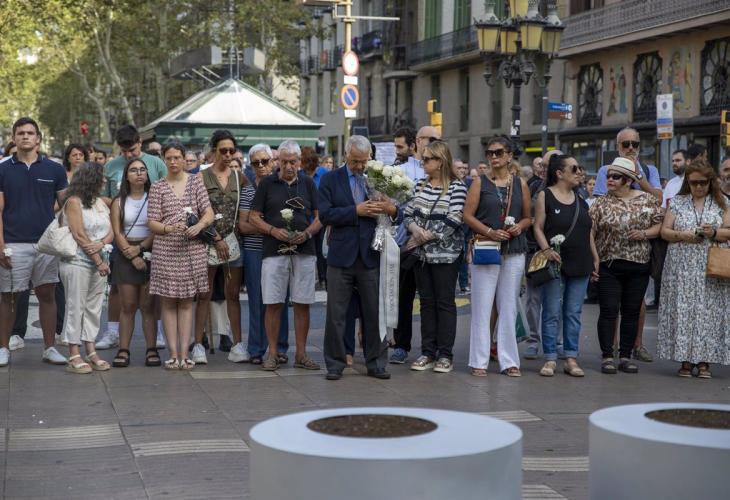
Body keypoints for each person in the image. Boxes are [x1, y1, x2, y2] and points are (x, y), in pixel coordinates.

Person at [319, 135, 399, 380]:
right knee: (336, 314)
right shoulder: (330, 179)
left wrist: (389, 208)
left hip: (370, 255)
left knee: (374, 313)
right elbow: (325, 215)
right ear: (346, 155)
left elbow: (397, 212)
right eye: (355, 161)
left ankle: (376, 363)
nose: (360, 166)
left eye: (364, 161)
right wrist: (356, 210)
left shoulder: (378, 178)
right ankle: (335, 364)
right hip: (341, 256)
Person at [0, 117, 68, 367]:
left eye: (30, 133)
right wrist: (0, 245)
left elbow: (67, 206)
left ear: (38, 138)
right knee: (9, 297)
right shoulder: (3, 169)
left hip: (46, 244)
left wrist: (65, 239)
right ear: (14, 138)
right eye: (21, 133)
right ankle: (3, 347)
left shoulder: (54, 169)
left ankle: (49, 348)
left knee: (47, 294)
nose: (25, 136)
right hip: (13, 242)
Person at [249, 140, 322, 372]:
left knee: (302, 303)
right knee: (273, 303)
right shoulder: (267, 184)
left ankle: (301, 354)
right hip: (273, 251)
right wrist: (272, 230)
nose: (289, 166)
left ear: (300, 161)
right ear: (277, 161)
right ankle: (272, 353)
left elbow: (320, 216)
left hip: (304, 251)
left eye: (293, 161)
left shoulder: (308, 183)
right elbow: (253, 216)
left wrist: (308, 233)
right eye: (284, 161)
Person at [464, 136, 531, 377]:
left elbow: (528, 217)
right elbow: (467, 216)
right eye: (490, 153)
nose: (493, 157)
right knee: (482, 306)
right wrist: (489, 231)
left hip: (514, 249)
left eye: (499, 152)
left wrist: (520, 226)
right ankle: (479, 361)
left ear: (509, 156)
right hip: (486, 247)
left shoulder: (520, 184)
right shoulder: (479, 182)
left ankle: (509, 361)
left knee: (509, 306)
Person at [589, 157, 663, 375]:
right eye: (609, 176)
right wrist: (594, 259)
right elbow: (590, 233)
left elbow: (660, 226)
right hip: (608, 265)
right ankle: (606, 356)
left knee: (631, 312)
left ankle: (625, 356)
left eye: (616, 176)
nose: (610, 180)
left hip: (639, 265)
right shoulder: (600, 203)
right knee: (609, 310)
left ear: (628, 180)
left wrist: (644, 233)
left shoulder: (648, 200)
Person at [97, 125, 168, 351]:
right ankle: (113, 332)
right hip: (120, 233)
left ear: (140, 143)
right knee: (117, 288)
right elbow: (103, 197)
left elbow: (166, 194)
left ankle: (156, 332)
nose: (129, 155)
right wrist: (120, 204)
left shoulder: (156, 164)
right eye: (124, 151)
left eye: (133, 150)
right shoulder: (111, 166)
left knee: (153, 291)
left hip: (151, 237)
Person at [658, 160, 729, 379]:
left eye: (703, 182)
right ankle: (686, 360)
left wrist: (713, 232)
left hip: (710, 266)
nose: (698, 186)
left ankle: (705, 361)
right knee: (683, 311)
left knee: (708, 313)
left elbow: (729, 231)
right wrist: (683, 235)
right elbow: (664, 232)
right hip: (681, 267)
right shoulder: (678, 202)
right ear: (687, 182)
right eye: (694, 182)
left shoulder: (722, 202)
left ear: (711, 182)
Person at [147, 142, 214, 370]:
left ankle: (185, 354)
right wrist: (168, 228)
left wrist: (199, 226)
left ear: (185, 159)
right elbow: (152, 221)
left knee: (186, 303)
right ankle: (173, 354)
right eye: (169, 158)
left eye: (177, 157)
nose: (173, 162)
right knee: (167, 302)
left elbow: (208, 212)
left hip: (192, 249)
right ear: (164, 159)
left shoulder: (196, 182)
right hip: (166, 250)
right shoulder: (157, 186)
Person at [403, 141, 467, 374]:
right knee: (426, 302)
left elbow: (454, 219)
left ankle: (445, 355)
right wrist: (415, 230)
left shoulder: (457, 187)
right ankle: (428, 352)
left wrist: (424, 236)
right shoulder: (419, 184)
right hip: (422, 256)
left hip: (447, 255)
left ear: (440, 161)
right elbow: (407, 213)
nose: (423, 162)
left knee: (445, 302)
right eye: (423, 158)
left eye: (428, 158)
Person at [533, 155, 599, 377]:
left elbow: (587, 232)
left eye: (580, 168)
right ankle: (550, 358)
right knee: (552, 310)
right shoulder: (546, 195)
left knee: (573, 312)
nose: (580, 172)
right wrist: (546, 250)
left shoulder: (581, 198)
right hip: (555, 262)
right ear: (559, 173)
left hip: (581, 261)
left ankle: (571, 357)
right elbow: (537, 227)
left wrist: (595, 257)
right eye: (574, 168)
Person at [191, 130, 248, 365]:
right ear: (213, 150)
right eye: (223, 150)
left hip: (234, 242)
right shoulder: (200, 177)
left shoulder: (240, 177)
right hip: (208, 240)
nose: (227, 154)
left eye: (231, 150)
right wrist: (215, 238)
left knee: (232, 294)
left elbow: (246, 207)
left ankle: (237, 344)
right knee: (203, 294)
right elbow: (194, 213)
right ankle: (198, 344)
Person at [58, 164, 113, 373]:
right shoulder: (73, 201)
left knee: (94, 308)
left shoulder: (100, 202)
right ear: (91, 179)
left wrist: (102, 245)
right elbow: (79, 234)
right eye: (101, 177)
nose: (105, 181)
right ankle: (73, 353)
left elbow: (112, 231)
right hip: (77, 262)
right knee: (75, 306)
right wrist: (98, 260)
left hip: (101, 261)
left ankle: (91, 350)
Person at [238, 144, 290, 364]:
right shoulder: (248, 191)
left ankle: (280, 348)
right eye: (256, 162)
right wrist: (269, 228)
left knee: (280, 300)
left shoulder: (282, 188)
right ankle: (257, 349)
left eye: (265, 161)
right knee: (257, 300)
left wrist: (260, 223)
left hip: (279, 249)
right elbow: (243, 225)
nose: (261, 166)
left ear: (273, 162)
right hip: (255, 250)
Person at [109, 158, 159, 367]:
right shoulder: (118, 201)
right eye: (133, 170)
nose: (139, 173)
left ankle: (151, 349)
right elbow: (117, 231)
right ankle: (123, 349)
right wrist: (132, 255)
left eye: (142, 170)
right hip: (125, 252)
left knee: (148, 306)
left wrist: (141, 249)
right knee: (128, 305)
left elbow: (158, 227)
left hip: (150, 250)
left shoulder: (155, 198)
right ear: (126, 176)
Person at [390, 126, 429, 364]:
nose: (431, 143)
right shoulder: (400, 171)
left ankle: (430, 349)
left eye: (435, 139)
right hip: (405, 243)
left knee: (430, 300)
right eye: (427, 139)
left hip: (431, 244)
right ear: (418, 142)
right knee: (403, 298)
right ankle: (401, 345)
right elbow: (393, 205)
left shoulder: (443, 170)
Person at [523, 148, 563, 360]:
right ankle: (533, 340)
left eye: (549, 165)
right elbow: (524, 215)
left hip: (560, 250)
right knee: (533, 299)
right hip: (534, 250)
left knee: (558, 300)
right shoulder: (533, 186)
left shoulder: (569, 188)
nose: (545, 169)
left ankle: (557, 342)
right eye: (543, 165)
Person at [301, 146, 329, 290]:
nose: (308, 166)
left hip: (322, 219)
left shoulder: (324, 174)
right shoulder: (299, 174)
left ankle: (324, 279)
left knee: (321, 250)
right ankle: (308, 279)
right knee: (307, 251)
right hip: (305, 220)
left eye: (310, 162)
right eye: (305, 162)